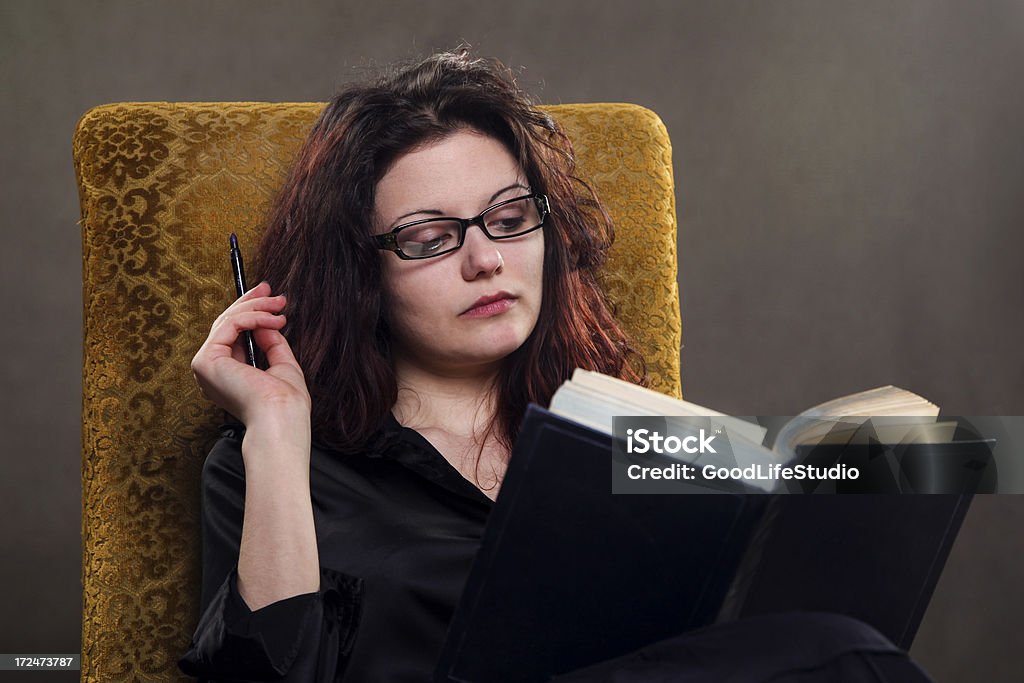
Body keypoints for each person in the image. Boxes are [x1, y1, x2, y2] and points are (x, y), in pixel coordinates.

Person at [178, 49, 934, 682]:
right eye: (430, 237)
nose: (486, 259)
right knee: (840, 651)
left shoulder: (609, 434)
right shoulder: (275, 463)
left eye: (509, 220)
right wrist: (277, 430)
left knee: (834, 641)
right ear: (358, 274)